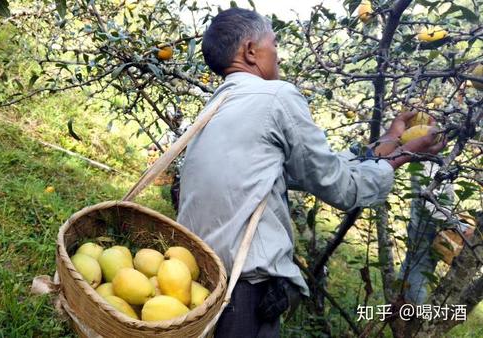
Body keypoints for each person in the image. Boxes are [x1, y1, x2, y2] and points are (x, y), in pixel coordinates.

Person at [175, 8, 444, 338]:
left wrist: (389, 140)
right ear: (249, 51)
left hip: (195, 281)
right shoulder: (277, 96)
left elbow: (308, 170)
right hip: (244, 291)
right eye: (273, 44)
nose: (278, 55)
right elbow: (341, 188)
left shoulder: (216, 107)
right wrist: (405, 154)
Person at [399, 162, 474, 304]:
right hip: (427, 230)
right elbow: (431, 206)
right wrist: (461, 227)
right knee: (420, 272)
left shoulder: (432, 161)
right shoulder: (426, 166)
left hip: (420, 226)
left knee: (411, 264)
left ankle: (399, 303)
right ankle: (413, 315)